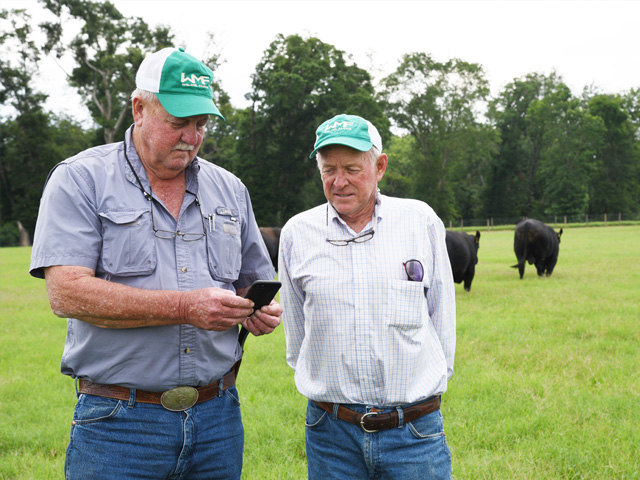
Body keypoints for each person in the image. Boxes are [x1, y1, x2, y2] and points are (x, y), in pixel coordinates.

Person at [29, 47, 282, 480]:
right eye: (178, 122)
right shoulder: (81, 178)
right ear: (139, 109)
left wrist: (257, 308)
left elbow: (252, 280)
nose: (192, 136)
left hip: (217, 418)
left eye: (201, 124)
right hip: (119, 424)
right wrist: (184, 308)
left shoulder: (231, 189)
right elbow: (66, 292)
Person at [279, 114, 456, 479]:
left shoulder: (419, 221)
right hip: (331, 435)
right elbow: (297, 341)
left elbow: (442, 320)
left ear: (380, 166)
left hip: (414, 432)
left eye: (352, 169)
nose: (339, 182)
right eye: (329, 170)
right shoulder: (298, 233)